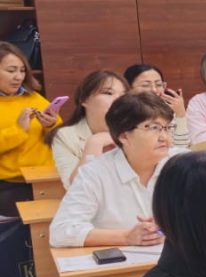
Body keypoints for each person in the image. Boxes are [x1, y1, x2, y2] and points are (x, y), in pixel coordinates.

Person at [51, 93, 178, 247]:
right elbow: (61, 231)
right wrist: (126, 237)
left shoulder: (181, 164)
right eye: (154, 128)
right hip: (124, 259)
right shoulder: (95, 173)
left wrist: (171, 227)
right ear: (124, 136)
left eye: (167, 127)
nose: (164, 137)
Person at [0, 42, 59, 216]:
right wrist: (18, 130)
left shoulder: (34, 97)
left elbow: (61, 136)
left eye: (22, 70)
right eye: (11, 71)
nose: (18, 77)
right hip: (9, 185)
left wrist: (51, 125)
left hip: (46, 180)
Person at [48, 70, 126, 188]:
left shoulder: (137, 130)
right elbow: (76, 189)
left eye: (123, 95)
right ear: (84, 99)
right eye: (108, 93)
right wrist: (96, 142)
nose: (118, 100)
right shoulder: (65, 136)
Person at [124, 63, 192, 147]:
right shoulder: (124, 115)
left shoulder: (168, 110)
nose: (154, 90)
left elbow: (182, 147)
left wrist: (180, 114)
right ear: (128, 88)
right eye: (145, 85)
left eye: (158, 85)